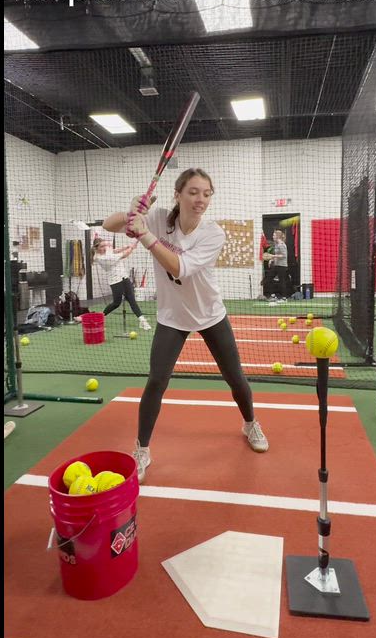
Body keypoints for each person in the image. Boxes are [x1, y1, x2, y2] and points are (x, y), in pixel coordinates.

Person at [102, 168, 268, 482]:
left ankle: (250, 424)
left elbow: (180, 268)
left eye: (206, 193)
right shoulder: (158, 218)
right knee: (156, 381)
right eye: (193, 192)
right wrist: (132, 212)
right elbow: (108, 225)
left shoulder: (213, 234)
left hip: (209, 314)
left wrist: (145, 235)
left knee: (235, 377)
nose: (200, 199)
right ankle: (142, 449)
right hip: (172, 317)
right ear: (177, 195)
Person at [92, 239, 151, 330]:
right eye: (102, 246)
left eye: (105, 245)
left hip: (124, 277)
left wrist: (126, 246)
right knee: (116, 303)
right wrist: (131, 247)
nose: (105, 248)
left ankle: (142, 320)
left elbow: (114, 250)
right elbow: (124, 255)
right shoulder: (101, 258)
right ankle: (100, 317)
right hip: (115, 281)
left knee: (132, 300)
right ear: (96, 248)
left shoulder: (106, 252)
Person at [263, 229, 290, 301]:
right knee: (268, 279)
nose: (272, 236)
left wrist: (273, 256)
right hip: (276, 265)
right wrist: (272, 260)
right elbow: (277, 255)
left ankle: (284, 298)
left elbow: (283, 256)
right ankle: (273, 296)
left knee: (282, 282)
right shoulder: (276, 244)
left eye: (274, 235)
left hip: (282, 266)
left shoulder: (282, 245)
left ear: (278, 236)